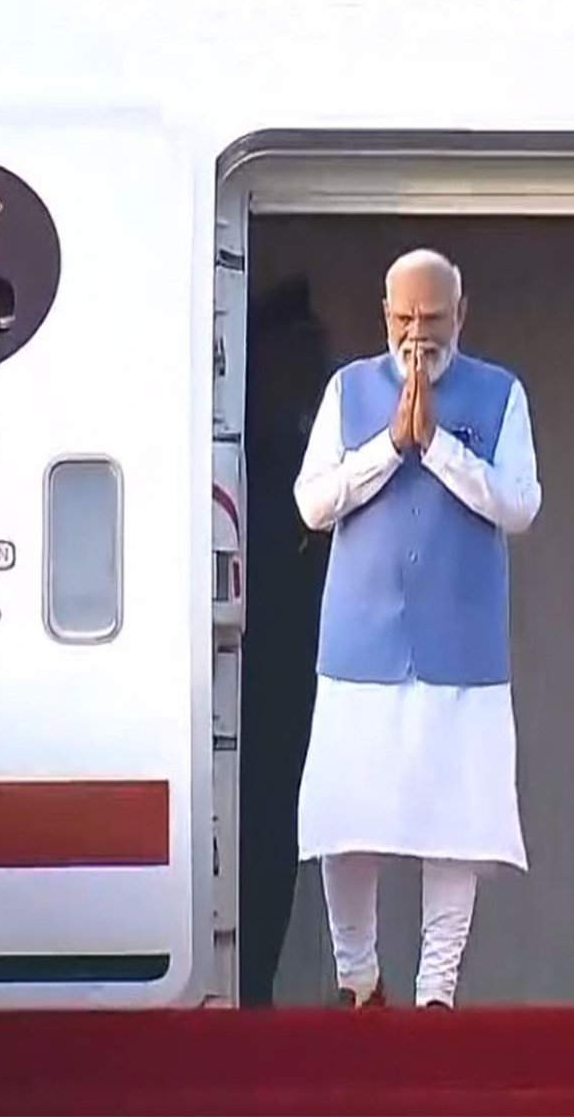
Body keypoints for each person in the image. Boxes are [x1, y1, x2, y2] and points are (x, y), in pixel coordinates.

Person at [291, 247, 542, 1009]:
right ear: (385, 317)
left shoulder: (500, 394)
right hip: (360, 642)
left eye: (432, 320)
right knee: (347, 814)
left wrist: (437, 448)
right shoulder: (349, 389)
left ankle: (437, 990)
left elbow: (520, 504)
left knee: (455, 819)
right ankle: (357, 977)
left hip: (459, 647)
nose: (417, 336)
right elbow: (313, 501)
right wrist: (391, 447)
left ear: (459, 316)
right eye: (404, 319)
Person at [239, 275, 332, 1006]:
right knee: (254, 836)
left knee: (284, 844)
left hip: (305, 678)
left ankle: (259, 989)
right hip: (249, 681)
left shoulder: (310, 454)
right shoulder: (246, 461)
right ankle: (247, 992)